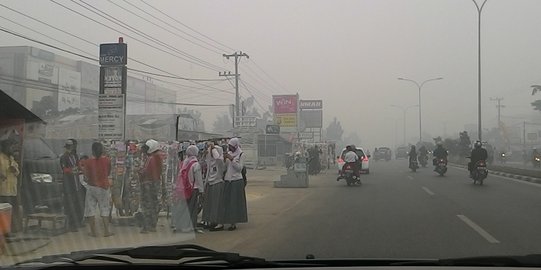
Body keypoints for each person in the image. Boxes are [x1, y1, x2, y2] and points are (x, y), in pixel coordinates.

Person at [81, 142, 114, 237]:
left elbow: (86, 177)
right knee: (104, 209)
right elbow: (108, 172)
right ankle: (106, 231)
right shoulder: (107, 160)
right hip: (104, 187)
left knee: (90, 209)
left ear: (92, 150)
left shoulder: (87, 162)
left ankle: (93, 232)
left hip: (92, 187)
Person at [171, 145, 204, 233]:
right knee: (192, 208)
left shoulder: (184, 162)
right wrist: (201, 191)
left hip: (183, 189)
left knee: (182, 207)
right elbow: (198, 179)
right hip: (193, 189)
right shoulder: (195, 164)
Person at [222, 138, 248, 231]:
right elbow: (225, 167)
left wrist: (232, 160)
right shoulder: (229, 153)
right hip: (228, 180)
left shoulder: (241, 154)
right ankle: (228, 220)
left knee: (234, 203)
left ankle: (234, 223)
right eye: (229, 146)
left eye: (231, 146)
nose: (230, 148)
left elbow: (240, 168)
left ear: (236, 146)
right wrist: (225, 160)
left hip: (236, 180)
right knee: (227, 202)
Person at [60, 139, 83, 232]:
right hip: (69, 184)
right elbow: (64, 169)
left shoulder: (75, 156)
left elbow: (78, 166)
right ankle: (69, 225)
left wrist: (78, 169)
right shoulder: (64, 157)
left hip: (76, 184)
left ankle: (76, 223)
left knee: (77, 204)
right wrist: (73, 170)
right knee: (69, 205)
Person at [139, 139, 163, 233]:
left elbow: (145, 171)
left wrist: (138, 171)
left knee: (146, 205)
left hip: (147, 183)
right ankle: (153, 225)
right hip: (156, 182)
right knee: (154, 204)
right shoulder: (159, 157)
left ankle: (146, 226)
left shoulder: (151, 158)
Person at [202, 142, 226, 231]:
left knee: (217, 205)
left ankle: (219, 223)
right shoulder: (210, 162)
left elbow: (218, 159)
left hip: (217, 182)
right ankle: (210, 221)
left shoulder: (219, 163)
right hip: (210, 183)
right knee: (209, 205)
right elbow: (206, 168)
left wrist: (214, 149)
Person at [0, 139, 20, 232]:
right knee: (4, 212)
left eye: (11, 147)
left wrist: (14, 170)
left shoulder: (12, 158)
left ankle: (12, 230)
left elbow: (17, 172)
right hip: (3, 191)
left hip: (12, 190)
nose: (11, 149)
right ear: (4, 147)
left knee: (13, 212)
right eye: (9, 147)